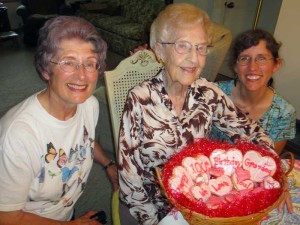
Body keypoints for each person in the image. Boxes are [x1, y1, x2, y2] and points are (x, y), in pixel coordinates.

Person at [117, 3, 276, 225]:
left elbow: (252, 133)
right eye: (183, 46)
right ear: (160, 51)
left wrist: (270, 175)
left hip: (202, 205)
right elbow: (129, 175)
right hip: (155, 207)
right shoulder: (140, 99)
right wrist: (154, 221)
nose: (194, 58)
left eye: (201, 48)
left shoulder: (207, 92)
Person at [0, 16, 118, 225]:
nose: (81, 75)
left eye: (89, 64)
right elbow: (6, 216)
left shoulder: (88, 105)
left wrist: (108, 164)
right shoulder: (18, 135)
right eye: (68, 63)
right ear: (46, 69)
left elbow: (85, 139)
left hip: (64, 212)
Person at [210, 28, 298, 224]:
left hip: (249, 182)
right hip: (208, 174)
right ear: (234, 66)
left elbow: (268, 161)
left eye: (262, 58)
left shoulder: (284, 112)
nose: (252, 67)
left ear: (276, 64)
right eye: (244, 58)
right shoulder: (214, 95)